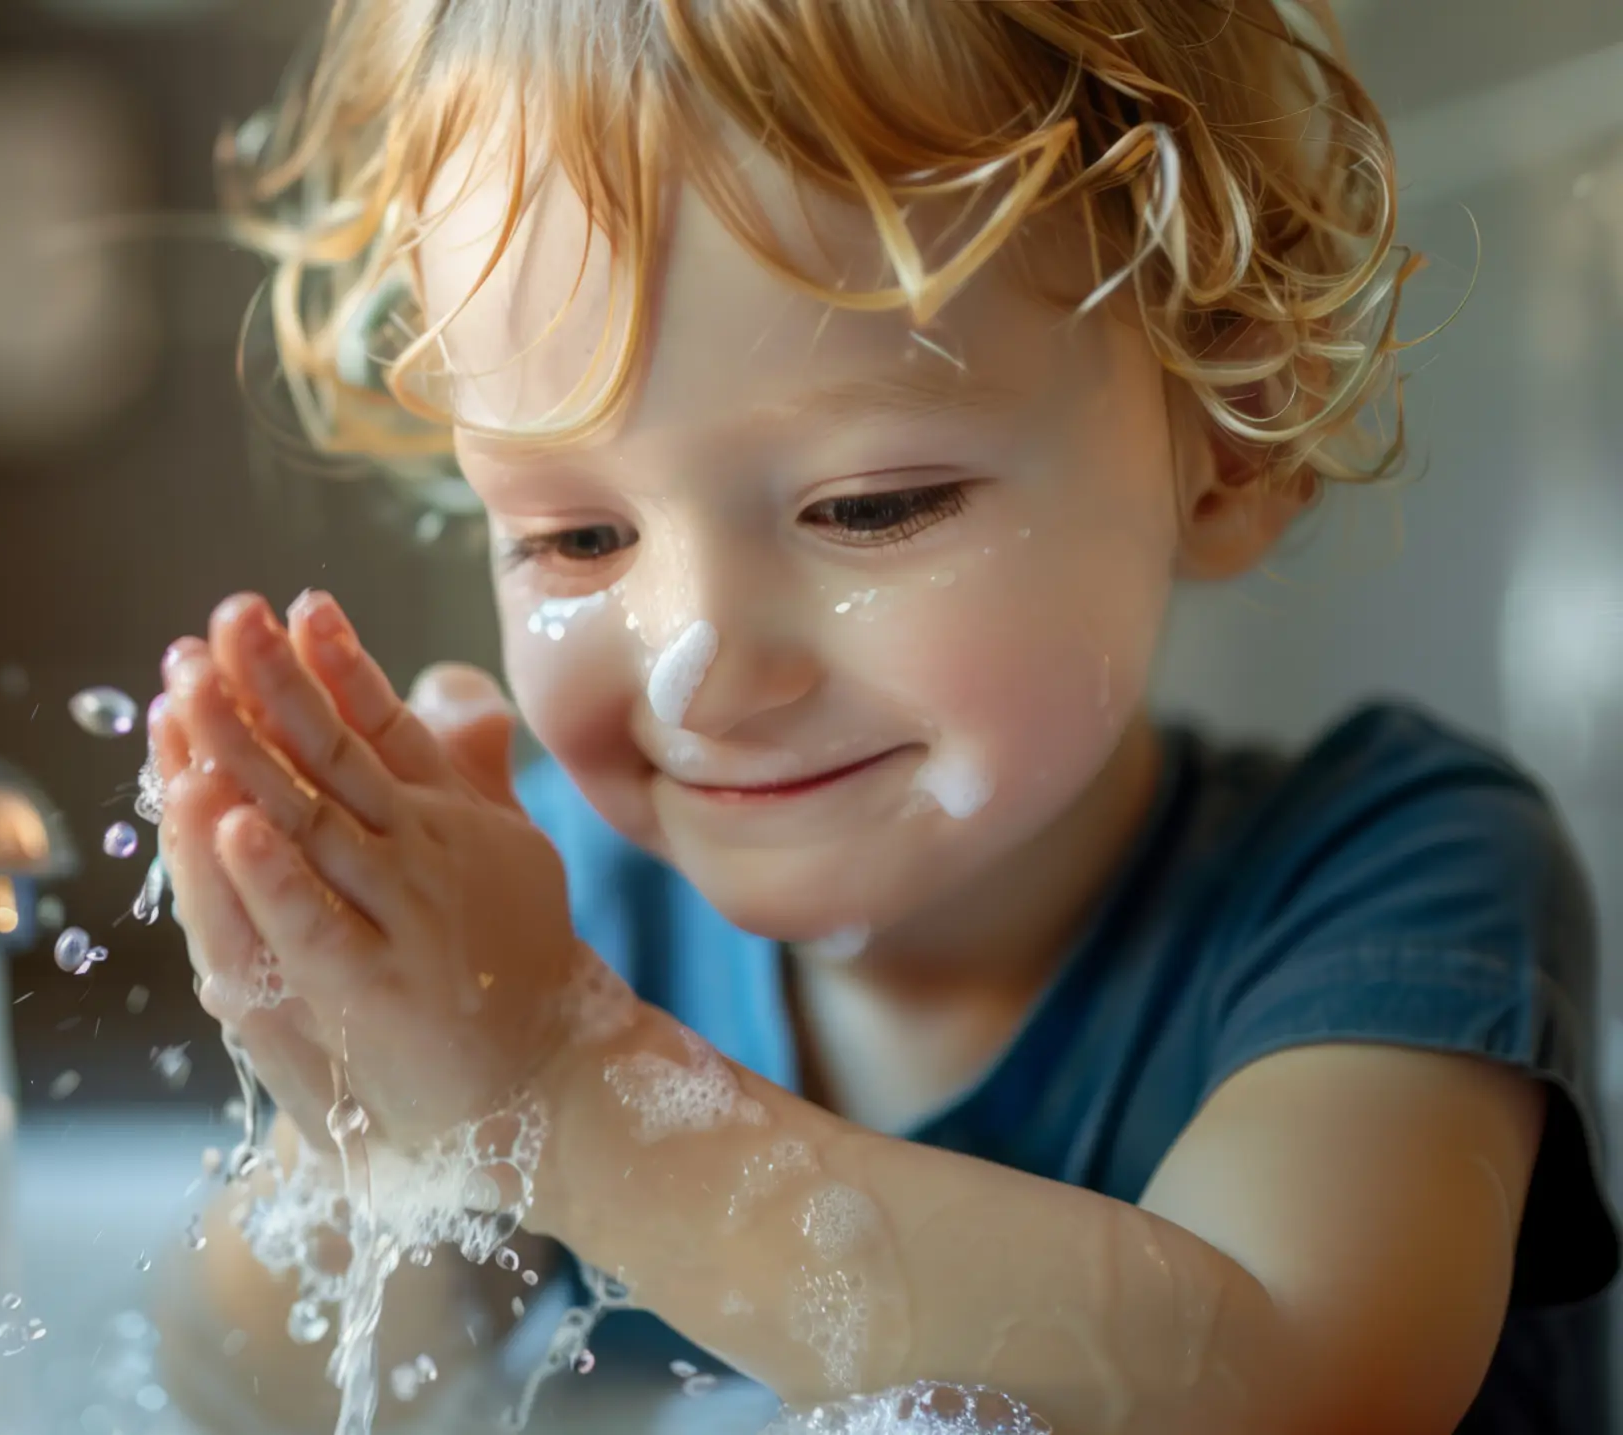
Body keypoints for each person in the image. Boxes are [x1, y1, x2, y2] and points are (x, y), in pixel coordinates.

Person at [146, 2, 1618, 1431]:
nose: (701, 668)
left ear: (1230, 445)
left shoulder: (1398, 878)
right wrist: (374, 1120)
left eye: (870, 507)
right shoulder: (564, 921)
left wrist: (560, 1090)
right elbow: (257, 1398)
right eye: (575, 539)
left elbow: (1300, 1386)